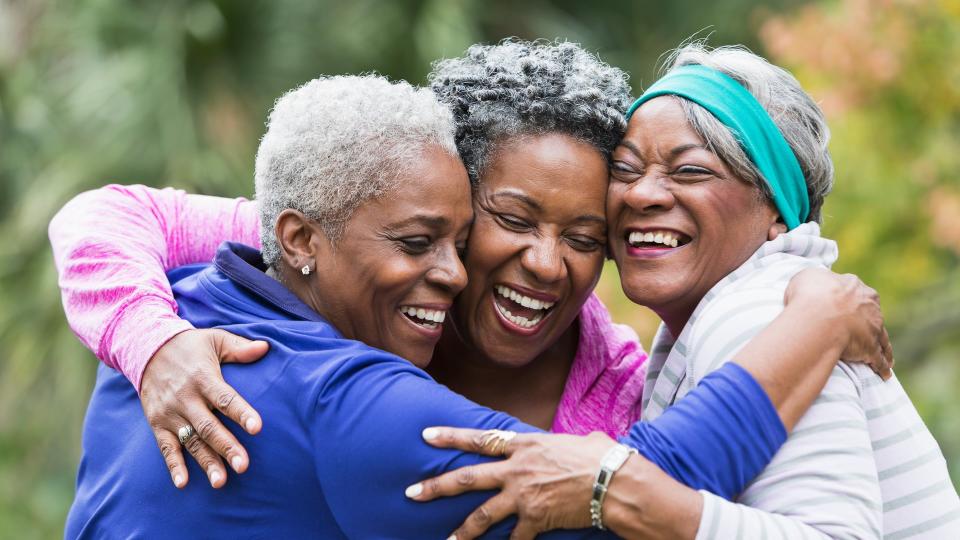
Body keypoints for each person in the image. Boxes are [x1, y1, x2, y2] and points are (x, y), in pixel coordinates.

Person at [60, 72, 885, 539]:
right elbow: (646, 485)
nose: (450, 272)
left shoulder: (201, 296)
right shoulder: (342, 400)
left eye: (585, 234)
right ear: (303, 238)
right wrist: (815, 324)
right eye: (428, 240)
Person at [406, 44, 960, 539]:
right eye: (626, 169)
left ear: (776, 213)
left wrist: (612, 493)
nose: (644, 192)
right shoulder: (752, 318)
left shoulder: (765, 312)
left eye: (690, 171)